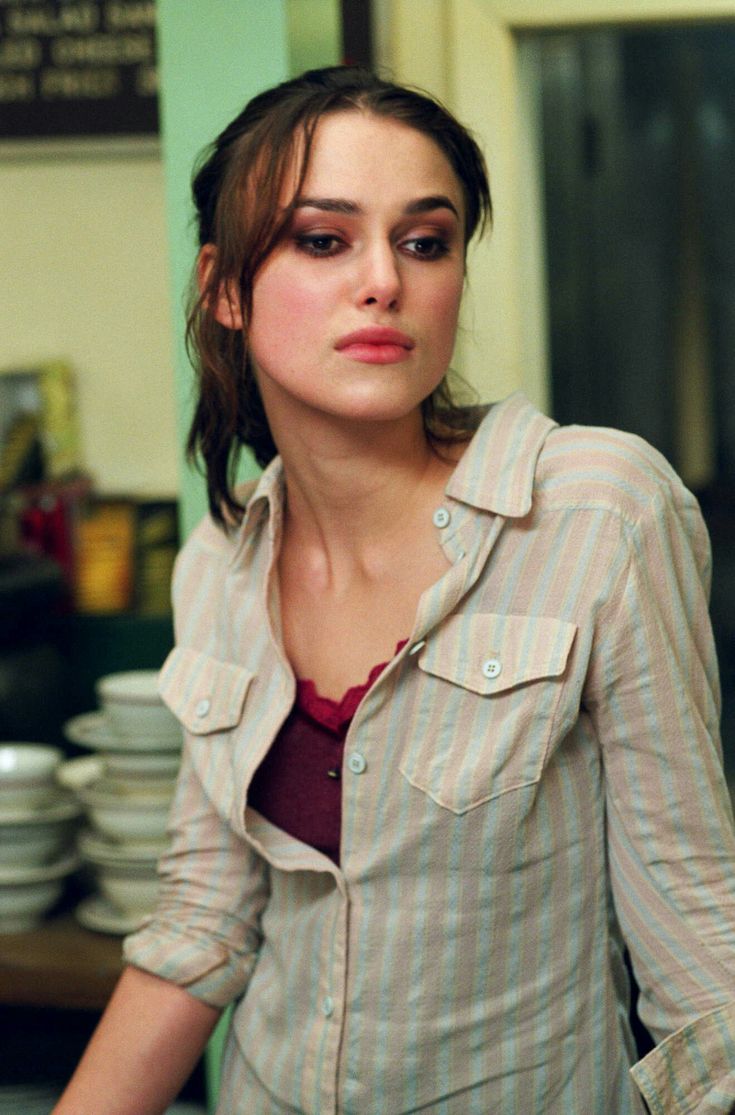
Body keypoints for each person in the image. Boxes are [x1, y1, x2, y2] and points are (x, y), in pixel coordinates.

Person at [53, 65, 735, 1115]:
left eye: (426, 241)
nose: (384, 280)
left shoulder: (600, 511)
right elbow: (203, 924)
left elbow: (699, 945)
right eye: (322, 240)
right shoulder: (219, 566)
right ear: (223, 287)